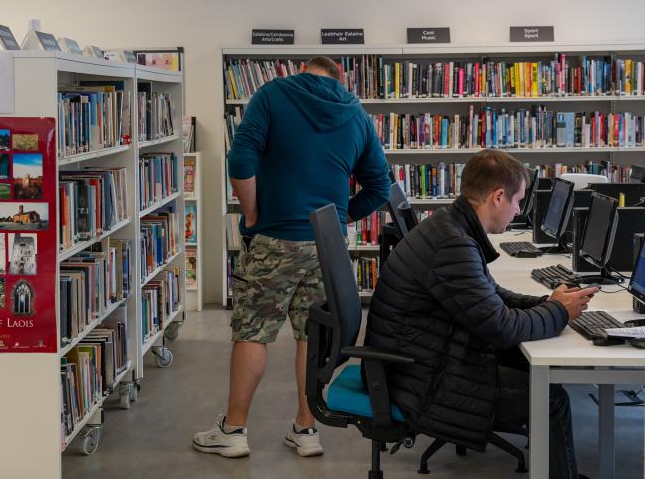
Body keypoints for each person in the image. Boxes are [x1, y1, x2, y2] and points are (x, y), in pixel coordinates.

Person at [193, 56, 391, 458]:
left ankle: (233, 430)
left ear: (302, 69)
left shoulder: (271, 95)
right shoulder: (355, 113)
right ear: (339, 78)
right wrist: (337, 219)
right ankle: (306, 429)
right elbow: (379, 188)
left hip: (273, 240)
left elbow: (241, 161)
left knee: (252, 332)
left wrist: (251, 214)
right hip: (326, 248)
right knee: (312, 335)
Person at [364, 149, 596, 479]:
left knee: (526, 363)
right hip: (420, 379)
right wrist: (557, 311)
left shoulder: (452, 225)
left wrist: (547, 302)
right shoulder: (453, 243)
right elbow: (499, 326)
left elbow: (492, 297)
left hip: (422, 356)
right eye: (518, 201)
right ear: (498, 197)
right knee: (551, 399)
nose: (519, 211)